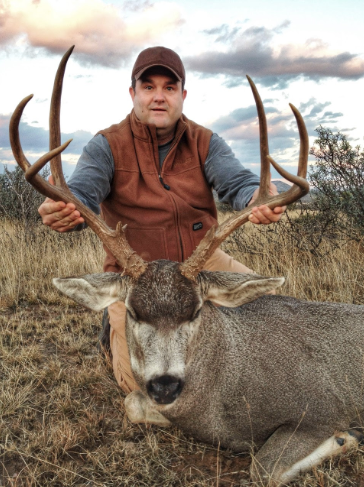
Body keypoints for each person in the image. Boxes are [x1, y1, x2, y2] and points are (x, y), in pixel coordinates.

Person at [38, 46, 285, 394]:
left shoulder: (205, 142)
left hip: (198, 265)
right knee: (139, 390)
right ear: (132, 93)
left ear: (182, 95)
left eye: (169, 88)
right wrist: (67, 209)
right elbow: (82, 191)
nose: (159, 97)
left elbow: (238, 182)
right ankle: (115, 325)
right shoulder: (106, 146)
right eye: (148, 86)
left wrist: (258, 198)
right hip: (135, 275)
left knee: (273, 305)